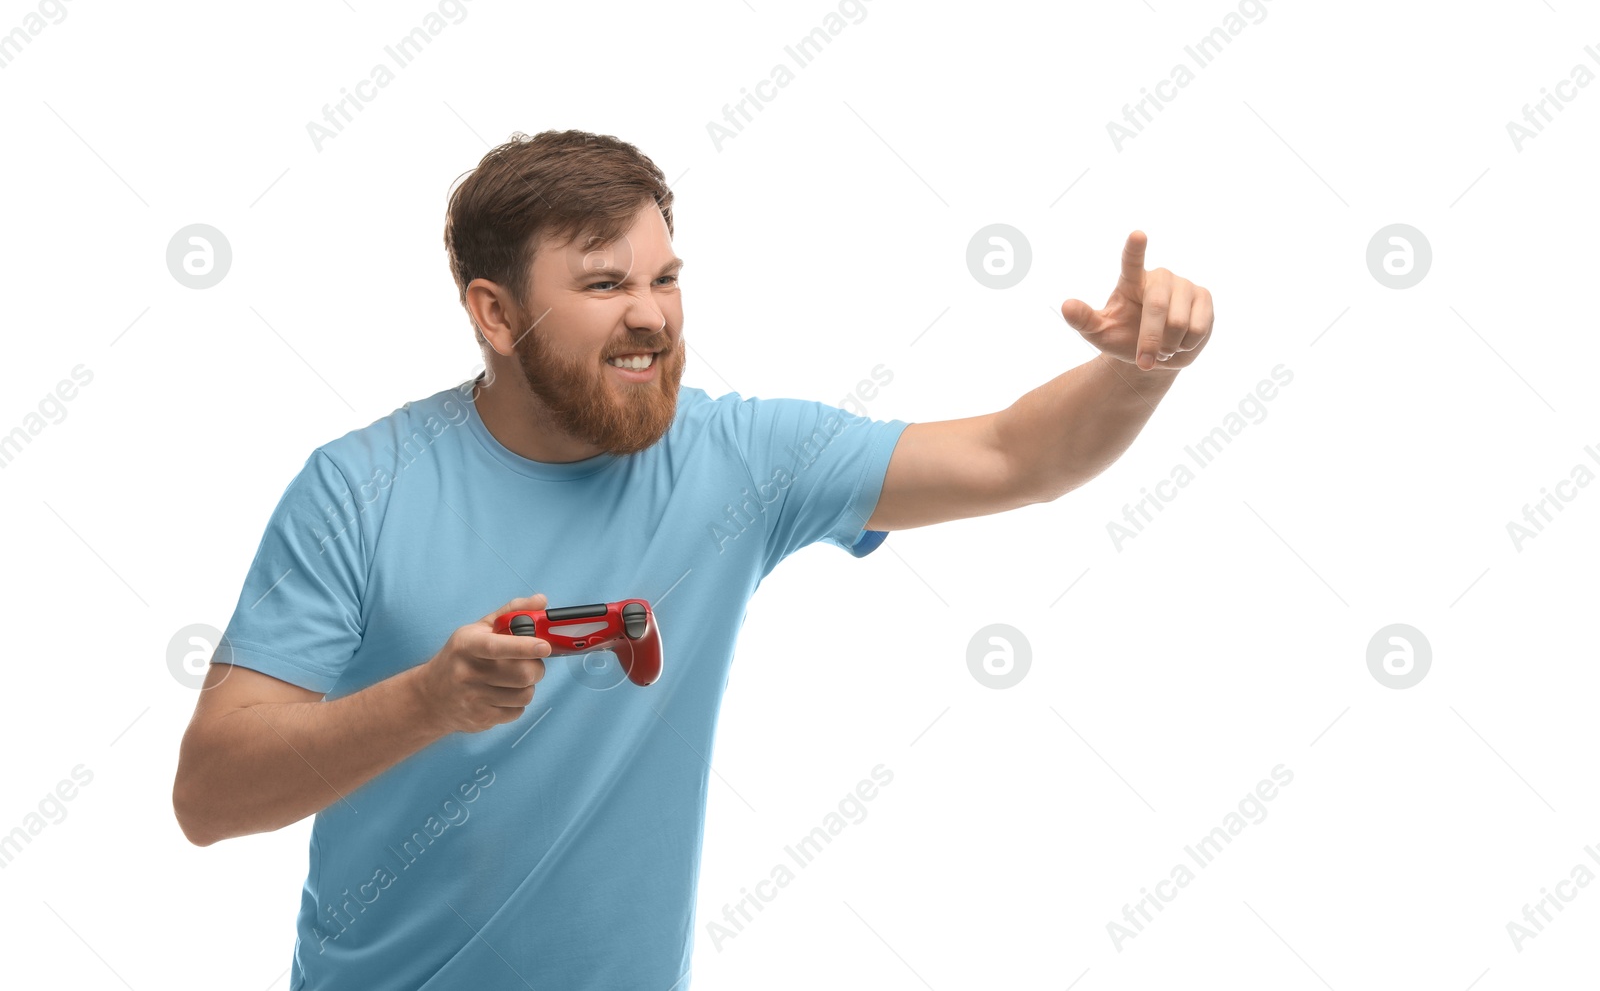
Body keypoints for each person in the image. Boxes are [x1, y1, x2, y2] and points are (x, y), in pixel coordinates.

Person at [171, 129, 1211, 990]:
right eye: (602, 281)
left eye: (665, 276)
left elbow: (1011, 455)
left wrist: (1137, 372)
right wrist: (427, 701)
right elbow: (211, 796)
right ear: (493, 312)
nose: (651, 314)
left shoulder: (736, 459)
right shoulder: (359, 490)